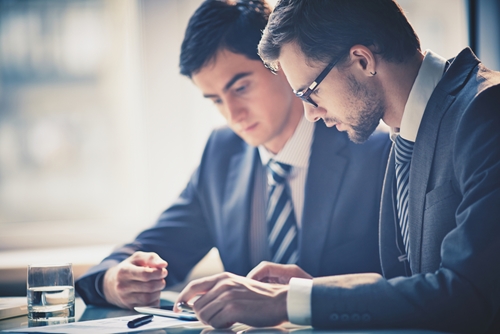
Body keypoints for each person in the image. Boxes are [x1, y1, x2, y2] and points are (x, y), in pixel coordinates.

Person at [173, 0, 500, 333]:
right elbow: (416, 288)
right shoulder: (413, 130)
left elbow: (469, 293)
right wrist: (310, 291)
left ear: (362, 60)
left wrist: (287, 303)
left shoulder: (487, 112)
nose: (310, 113)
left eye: (309, 92)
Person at [75, 0, 391, 310]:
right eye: (216, 100)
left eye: (240, 88)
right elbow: (154, 247)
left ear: (281, 64)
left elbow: (411, 287)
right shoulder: (222, 154)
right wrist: (113, 280)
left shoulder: (372, 147)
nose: (232, 114)